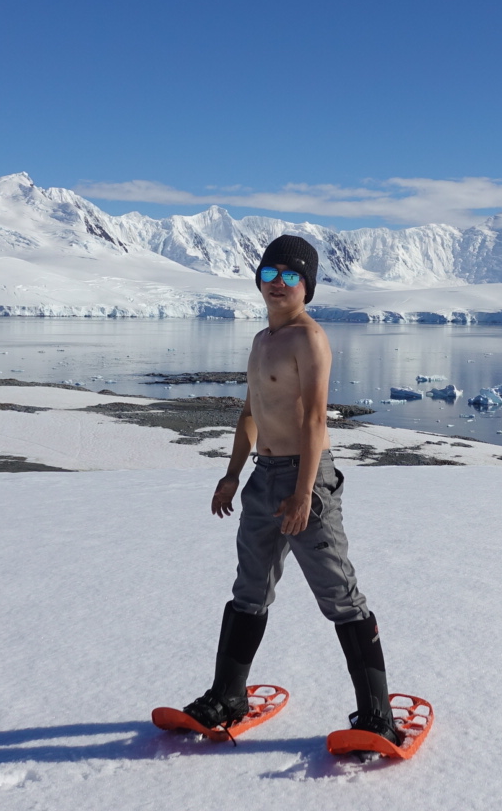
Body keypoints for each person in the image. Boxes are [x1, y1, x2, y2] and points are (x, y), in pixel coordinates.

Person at [179, 234, 400, 743]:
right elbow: (250, 413)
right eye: (269, 274)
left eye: (290, 277)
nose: (277, 285)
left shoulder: (309, 338)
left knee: (339, 596)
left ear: (307, 287)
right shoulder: (260, 342)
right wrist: (232, 473)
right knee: (248, 592)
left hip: (308, 479)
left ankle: (377, 713)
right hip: (262, 478)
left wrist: (303, 494)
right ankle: (228, 694)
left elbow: (317, 420)